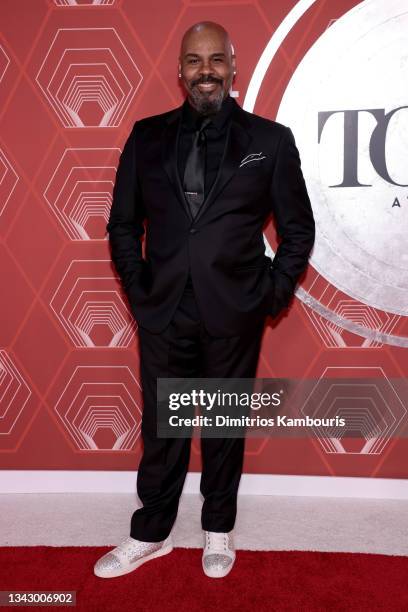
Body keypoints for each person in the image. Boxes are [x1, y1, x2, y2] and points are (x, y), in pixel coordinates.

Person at [94, 20, 315, 579]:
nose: (206, 71)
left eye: (216, 59)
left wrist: (272, 294)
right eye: (195, 61)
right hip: (164, 308)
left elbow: (298, 229)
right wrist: (140, 288)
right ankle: (152, 534)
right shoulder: (146, 136)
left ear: (234, 67)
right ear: (180, 71)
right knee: (163, 430)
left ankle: (218, 530)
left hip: (233, 308)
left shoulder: (269, 141)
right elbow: (122, 225)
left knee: (222, 428)